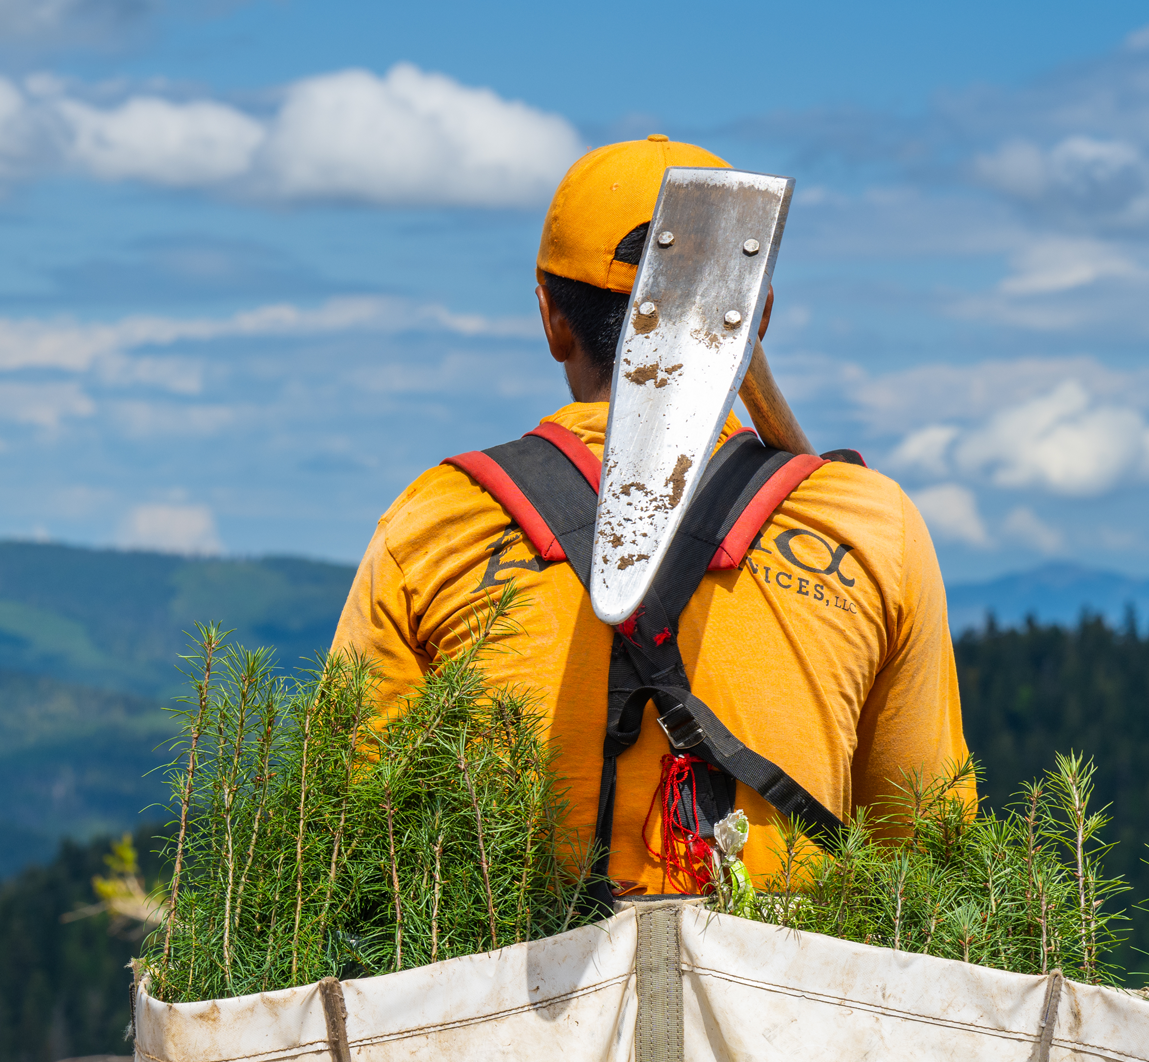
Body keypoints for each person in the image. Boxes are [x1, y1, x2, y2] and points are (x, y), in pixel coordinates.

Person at [331, 134, 973, 897]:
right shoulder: (873, 524)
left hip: (521, 1011)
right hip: (784, 1011)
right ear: (757, 315)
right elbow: (928, 855)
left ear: (551, 318)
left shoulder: (430, 523)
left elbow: (351, 841)